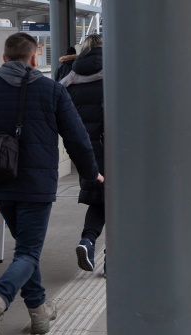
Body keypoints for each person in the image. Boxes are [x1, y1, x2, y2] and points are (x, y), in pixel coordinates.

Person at [0, 32, 103, 335]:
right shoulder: (51, 90)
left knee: (25, 247)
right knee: (28, 253)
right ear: (36, 58)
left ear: (4, 59)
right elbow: (77, 138)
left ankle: (38, 312)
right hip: (36, 185)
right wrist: (91, 173)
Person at [60, 34, 106, 276]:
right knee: (119, 202)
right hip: (117, 149)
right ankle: (113, 258)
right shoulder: (117, 73)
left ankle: (87, 242)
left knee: (100, 199)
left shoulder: (70, 78)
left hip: (85, 150)